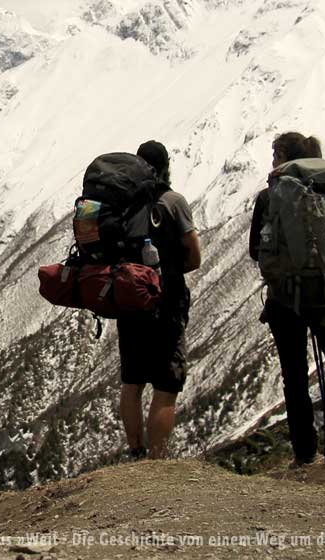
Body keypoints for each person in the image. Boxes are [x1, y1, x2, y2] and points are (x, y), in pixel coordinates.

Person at [249, 132, 325, 465]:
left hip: (284, 297)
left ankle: (304, 453)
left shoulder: (269, 196)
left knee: (294, 376)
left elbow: (254, 250)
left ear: (283, 156)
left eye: (275, 154)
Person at [116, 140, 202, 459]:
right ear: (167, 166)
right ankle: (158, 458)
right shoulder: (173, 202)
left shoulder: (123, 204)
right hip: (166, 302)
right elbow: (194, 256)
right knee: (166, 384)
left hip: (128, 300)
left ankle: (135, 450)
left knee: (133, 379)